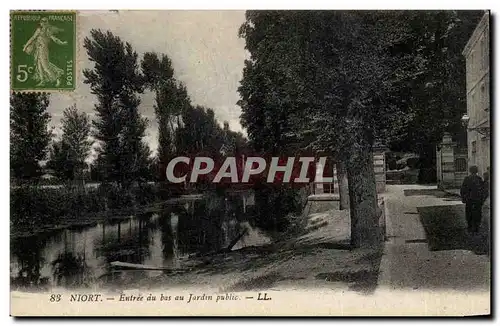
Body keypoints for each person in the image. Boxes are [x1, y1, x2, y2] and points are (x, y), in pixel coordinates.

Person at [22, 17, 67, 87]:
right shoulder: (39, 30)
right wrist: (26, 46)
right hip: (38, 50)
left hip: (43, 49)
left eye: (45, 22)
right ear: (41, 23)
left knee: (45, 66)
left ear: (47, 23)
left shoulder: (48, 31)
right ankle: (42, 81)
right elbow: (33, 38)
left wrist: (62, 43)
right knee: (39, 66)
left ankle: (57, 79)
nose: (43, 23)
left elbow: (54, 39)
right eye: (42, 22)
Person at [460, 166, 485, 234]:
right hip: (477, 199)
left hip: (469, 199)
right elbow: (483, 190)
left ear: (470, 171)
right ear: (476, 171)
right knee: (478, 213)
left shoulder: (467, 179)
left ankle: (470, 226)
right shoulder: (479, 179)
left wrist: (463, 198)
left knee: (469, 212)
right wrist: (482, 200)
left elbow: (462, 190)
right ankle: (476, 227)